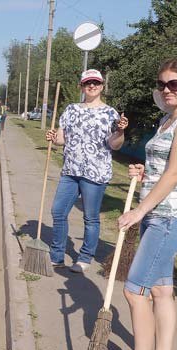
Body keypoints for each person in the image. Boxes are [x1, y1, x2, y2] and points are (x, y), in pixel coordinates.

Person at [106, 58, 177, 350]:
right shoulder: (168, 119)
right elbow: (168, 170)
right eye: (163, 84)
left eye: (174, 84)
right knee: (162, 291)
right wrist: (143, 175)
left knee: (135, 290)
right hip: (157, 213)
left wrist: (138, 210)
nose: (166, 90)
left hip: (170, 218)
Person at [45, 69, 128, 273]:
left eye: (96, 83)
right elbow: (62, 139)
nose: (92, 86)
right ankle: (57, 256)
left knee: (90, 217)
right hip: (71, 170)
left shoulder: (110, 113)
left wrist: (120, 131)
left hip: (95, 173)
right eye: (88, 83)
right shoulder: (71, 110)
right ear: (81, 86)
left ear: (101, 86)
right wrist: (53, 137)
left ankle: (84, 257)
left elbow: (115, 145)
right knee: (58, 212)